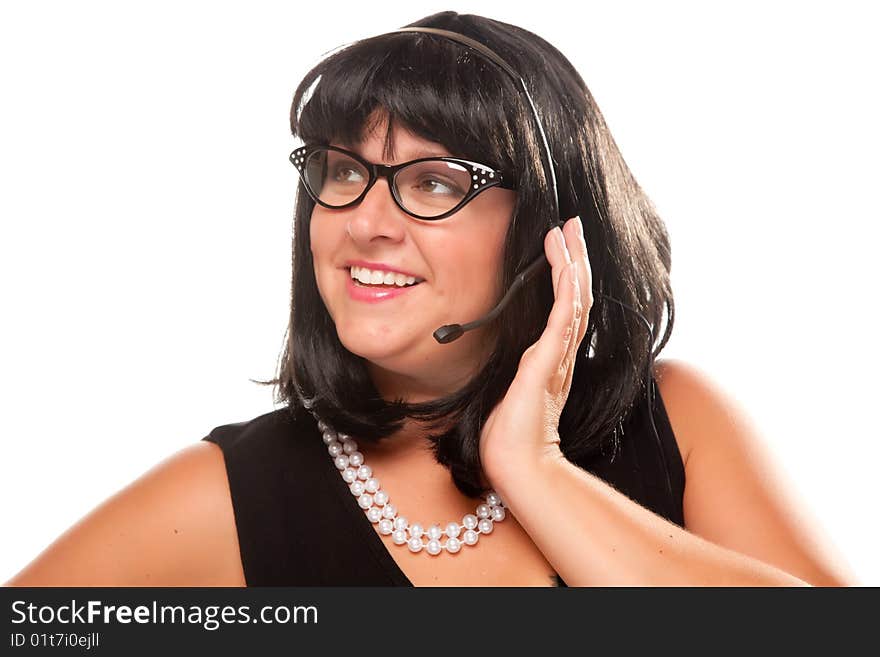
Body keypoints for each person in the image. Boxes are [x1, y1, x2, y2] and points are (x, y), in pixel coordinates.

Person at [5, 11, 856, 587]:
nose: (365, 221)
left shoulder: (676, 421)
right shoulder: (222, 496)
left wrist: (535, 469)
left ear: (549, 227)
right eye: (343, 172)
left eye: (431, 181)